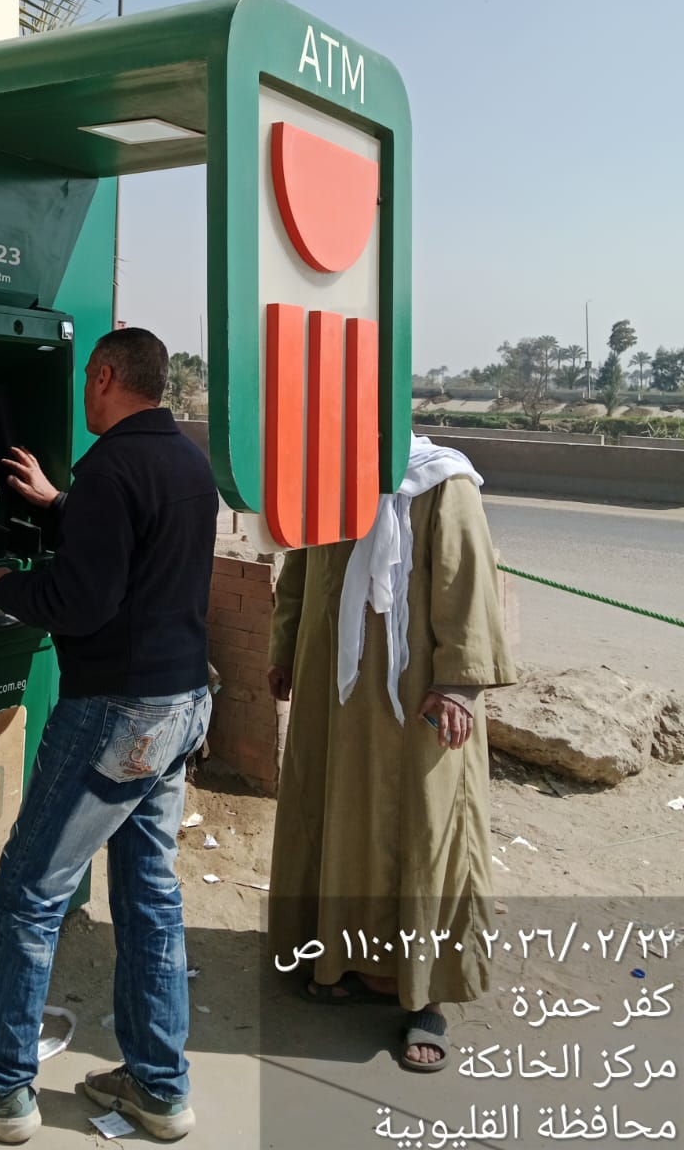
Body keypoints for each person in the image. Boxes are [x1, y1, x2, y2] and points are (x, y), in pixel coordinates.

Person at [0, 328, 218, 1144]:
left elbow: (81, 601)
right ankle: (160, 1087)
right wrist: (56, 505)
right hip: (181, 705)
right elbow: (133, 546)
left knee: (30, 889)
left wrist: (2, 584)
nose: (84, 393)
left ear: (105, 376)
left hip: (116, 714)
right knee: (150, 894)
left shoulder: (113, 469)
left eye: (88, 380)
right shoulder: (187, 463)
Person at [267, 435, 516, 1072]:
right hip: (336, 695)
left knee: (426, 835)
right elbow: (300, 572)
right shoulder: (327, 478)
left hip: (418, 700)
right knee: (341, 825)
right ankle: (345, 963)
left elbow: (468, 586)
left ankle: (427, 997)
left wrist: (460, 684)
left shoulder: (443, 482)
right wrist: (285, 647)